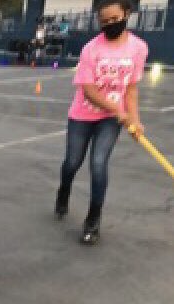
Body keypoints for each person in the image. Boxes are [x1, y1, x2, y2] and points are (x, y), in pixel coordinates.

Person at [55, 0, 148, 245]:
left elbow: (131, 88)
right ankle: (64, 190)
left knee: (98, 163)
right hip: (82, 116)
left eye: (114, 19)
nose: (109, 25)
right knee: (72, 163)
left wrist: (135, 120)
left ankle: (92, 221)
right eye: (104, 21)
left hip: (110, 120)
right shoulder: (90, 49)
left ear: (127, 14)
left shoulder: (138, 48)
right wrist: (118, 109)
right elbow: (88, 91)